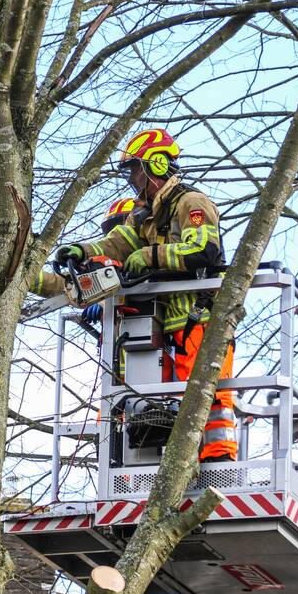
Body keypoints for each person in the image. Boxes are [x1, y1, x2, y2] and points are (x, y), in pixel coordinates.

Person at [54, 128, 236, 462]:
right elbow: (116, 244)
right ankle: (182, 464)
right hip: (174, 322)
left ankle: (218, 459)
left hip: (204, 315)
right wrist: (80, 251)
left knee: (207, 395)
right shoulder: (145, 214)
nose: (133, 179)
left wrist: (149, 257)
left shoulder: (190, 202)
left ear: (156, 163)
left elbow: (203, 250)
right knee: (171, 400)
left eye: (136, 170)